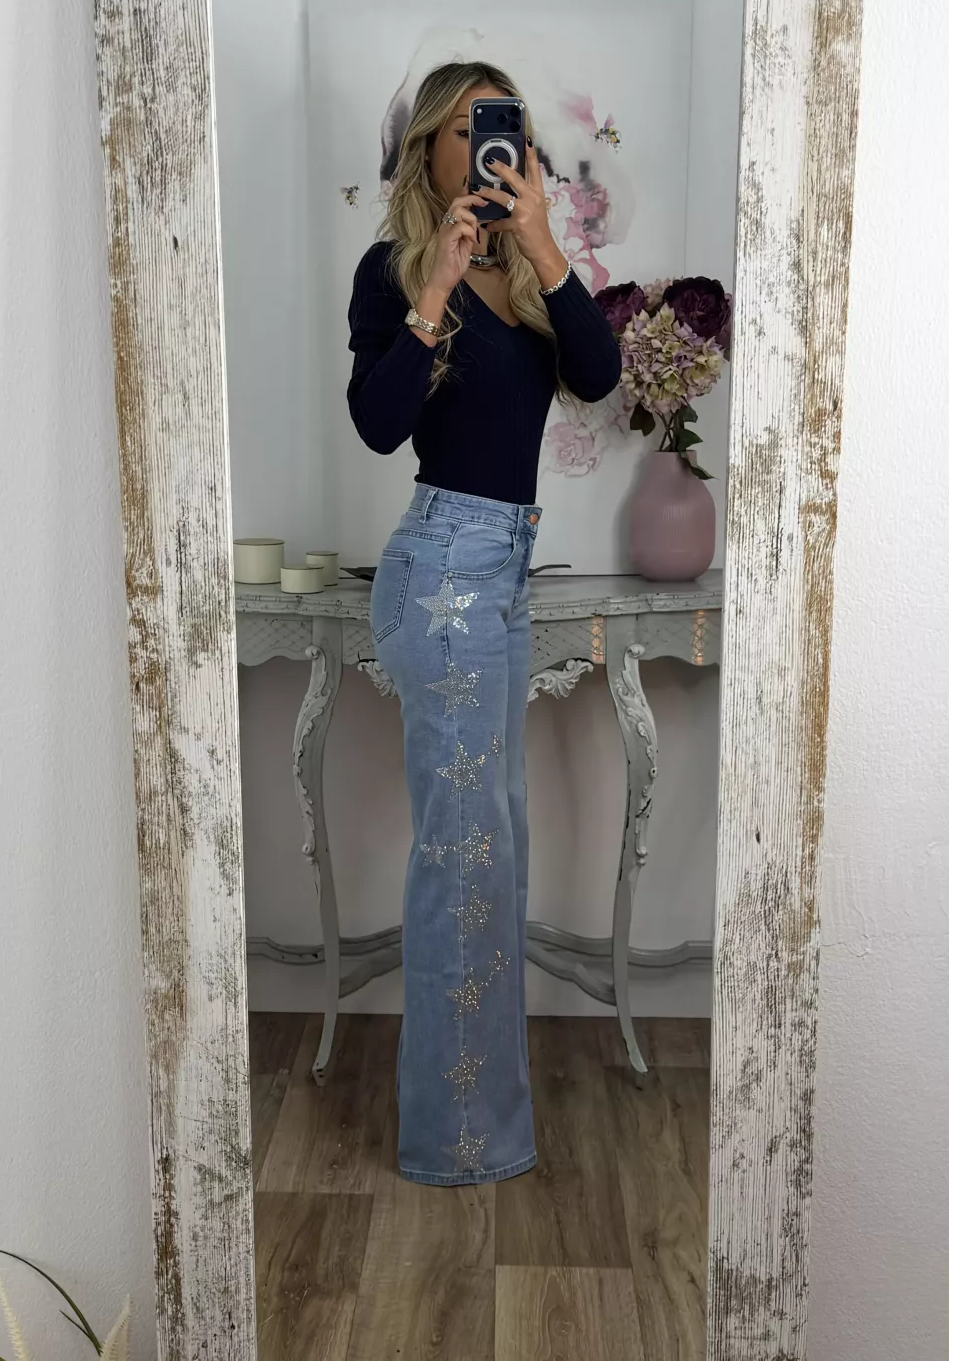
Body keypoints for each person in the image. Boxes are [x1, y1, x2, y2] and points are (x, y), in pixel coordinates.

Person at [346, 61, 622, 1185]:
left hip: (502, 576)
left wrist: (543, 245)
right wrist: (435, 289)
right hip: (443, 574)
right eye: (467, 129)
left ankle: (482, 1124)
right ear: (430, 152)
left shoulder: (532, 275)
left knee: (492, 848)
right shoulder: (395, 271)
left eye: (503, 128)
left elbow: (599, 376)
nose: (491, 147)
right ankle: (453, 1141)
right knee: (459, 856)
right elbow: (377, 424)